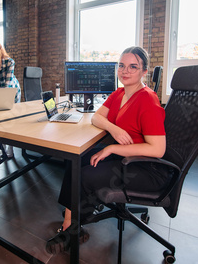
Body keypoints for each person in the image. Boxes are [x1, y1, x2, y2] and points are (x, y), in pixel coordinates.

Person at [45, 46, 172, 254]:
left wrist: (111, 147)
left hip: (144, 167)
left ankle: (73, 227)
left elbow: (158, 149)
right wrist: (113, 128)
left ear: (144, 72)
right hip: (126, 158)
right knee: (77, 158)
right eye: (121, 65)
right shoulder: (119, 93)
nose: (125, 71)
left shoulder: (148, 99)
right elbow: (97, 117)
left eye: (133, 66)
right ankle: (70, 221)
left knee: (85, 174)